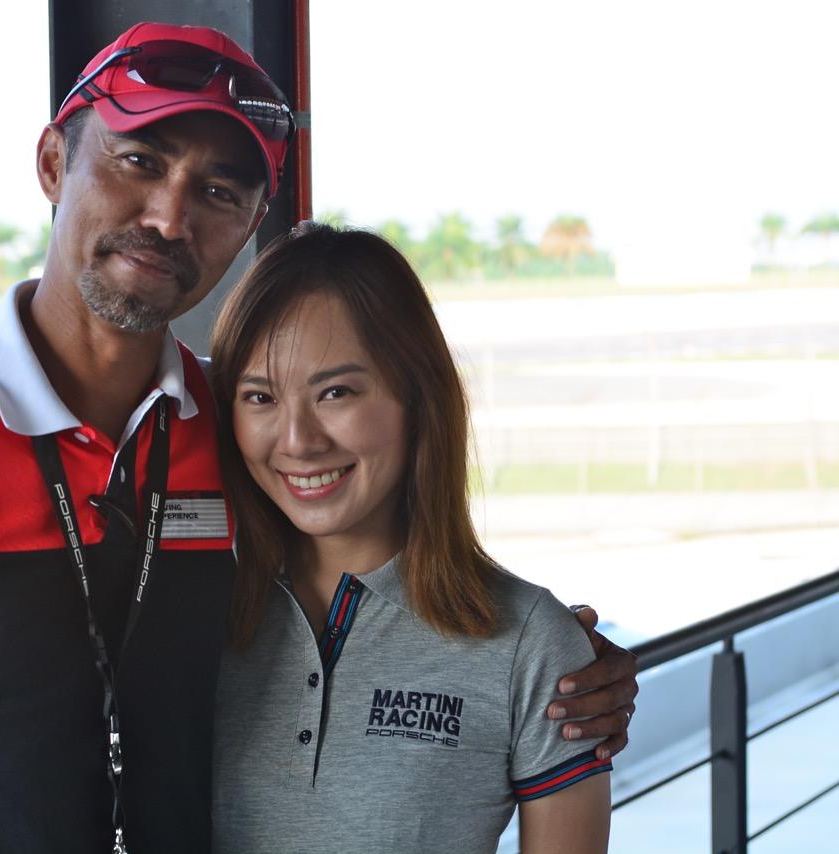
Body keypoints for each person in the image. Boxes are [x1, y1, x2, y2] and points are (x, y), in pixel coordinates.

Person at [0, 22, 636, 854]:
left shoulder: (233, 421)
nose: (169, 217)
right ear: (52, 162)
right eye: (138, 159)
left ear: (247, 229)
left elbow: (373, 578)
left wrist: (563, 667)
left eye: (218, 191)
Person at [209, 221, 613, 852]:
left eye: (335, 392)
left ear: (418, 398)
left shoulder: (533, 643)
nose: (297, 441)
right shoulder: (189, 616)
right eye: (259, 397)